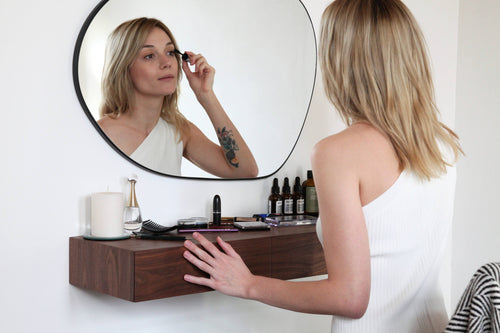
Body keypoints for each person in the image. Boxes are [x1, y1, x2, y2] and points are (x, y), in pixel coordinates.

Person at [182, 0, 463, 332]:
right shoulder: (441, 143)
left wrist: (248, 284)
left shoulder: (338, 152)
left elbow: (350, 297)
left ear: (342, 60)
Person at [97, 18, 258, 178]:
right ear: (123, 68)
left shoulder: (180, 131)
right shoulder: (102, 133)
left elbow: (245, 171)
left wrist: (206, 95)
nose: (166, 62)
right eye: (149, 56)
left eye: (170, 52)